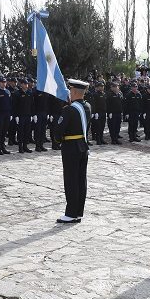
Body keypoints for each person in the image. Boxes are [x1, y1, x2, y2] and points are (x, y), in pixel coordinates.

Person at [53, 79, 92, 224]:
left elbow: (58, 131)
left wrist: (57, 140)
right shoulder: (87, 106)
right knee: (81, 180)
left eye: (70, 90)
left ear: (74, 91)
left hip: (70, 147)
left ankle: (70, 213)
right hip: (83, 146)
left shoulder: (69, 109)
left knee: (71, 180)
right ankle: (78, 212)